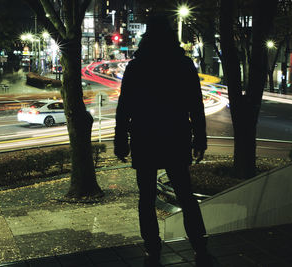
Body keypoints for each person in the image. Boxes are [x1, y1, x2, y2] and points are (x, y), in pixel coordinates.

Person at [114, 14, 212, 267]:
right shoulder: (183, 65)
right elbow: (196, 106)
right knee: (185, 194)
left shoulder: (136, 67)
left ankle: (152, 247)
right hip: (175, 134)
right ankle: (200, 246)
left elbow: (124, 107)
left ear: (146, 38)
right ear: (171, 37)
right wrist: (199, 139)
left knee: (146, 197)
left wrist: (120, 141)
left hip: (144, 136)